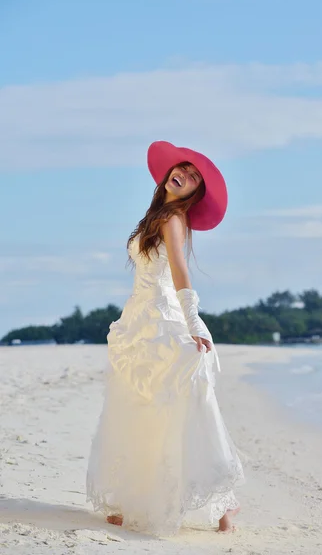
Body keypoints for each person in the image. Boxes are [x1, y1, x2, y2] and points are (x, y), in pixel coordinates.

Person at [86, 141, 245, 536]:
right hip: (137, 322)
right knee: (137, 409)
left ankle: (223, 505)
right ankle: (134, 498)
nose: (185, 176)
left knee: (177, 406)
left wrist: (192, 322)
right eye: (184, 169)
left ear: (193, 194)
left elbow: (179, 272)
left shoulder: (174, 219)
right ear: (169, 173)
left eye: (193, 178)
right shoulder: (154, 216)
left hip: (162, 321)